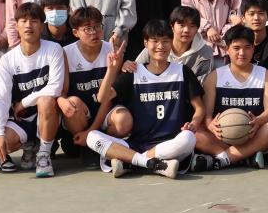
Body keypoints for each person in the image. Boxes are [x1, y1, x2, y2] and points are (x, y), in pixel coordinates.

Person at [87, 18, 203, 178]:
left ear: (171, 43)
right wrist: (111, 70)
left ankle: (131, 161)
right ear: (145, 43)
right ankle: (152, 164)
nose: (160, 46)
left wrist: (194, 123)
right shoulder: (134, 71)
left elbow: (200, 108)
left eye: (165, 41)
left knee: (188, 138)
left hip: (171, 143)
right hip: (137, 143)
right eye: (155, 41)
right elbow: (102, 98)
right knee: (92, 137)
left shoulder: (182, 71)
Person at [192, 24, 268, 170]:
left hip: (253, 135)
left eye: (247, 47)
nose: (242, 53)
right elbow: (207, 114)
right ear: (227, 49)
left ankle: (223, 158)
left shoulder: (265, 74)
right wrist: (210, 125)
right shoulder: (215, 76)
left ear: (253, 49)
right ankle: (244, 157)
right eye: (236, 48)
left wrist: (259, 121)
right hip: (221, 136)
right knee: (194, 134)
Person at [0, 2, 65, 178]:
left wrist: (24, 102)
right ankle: (30, 146)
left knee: (46, 100)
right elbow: (1, 99)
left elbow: (55, 87)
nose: (28, 25)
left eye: (34, 21)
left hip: (49, 115)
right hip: (22, 119)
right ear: (16, 26)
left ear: (42, 26)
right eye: (23, 21)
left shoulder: (54, 49)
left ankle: (44, 154)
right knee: (5, 143)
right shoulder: (7, 60)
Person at [59, 6, 132, 159]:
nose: (94, 32)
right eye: (87, 29)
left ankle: (103, 146)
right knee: (71, 103)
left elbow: (108, 98)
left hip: (106, 110)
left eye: (97, 26)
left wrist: (91, 131)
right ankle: (85, 147)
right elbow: (63, 92)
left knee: (124, 120)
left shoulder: (112, 50)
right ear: (75, 32)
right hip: (82, 112)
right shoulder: (66, 53)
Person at [135, 4, 213, 81]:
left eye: (192, 26)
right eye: (182, 25)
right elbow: (136, 69)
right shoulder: (157, 47)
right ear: (172, 26)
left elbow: (201, 85)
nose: (186, 30)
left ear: (197, 29)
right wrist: (129, 65)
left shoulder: (205, 53)